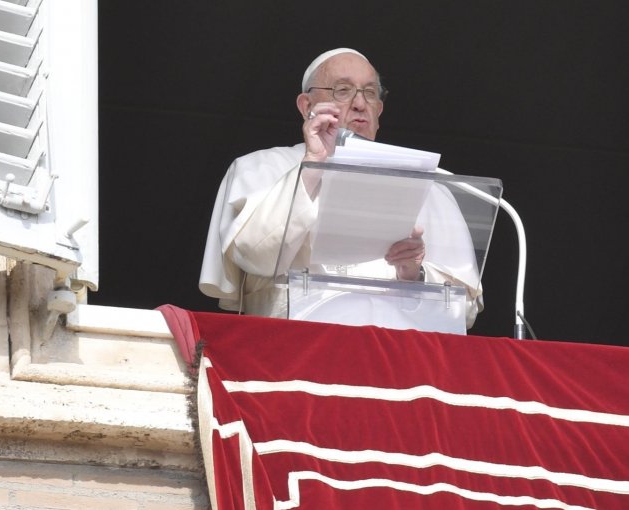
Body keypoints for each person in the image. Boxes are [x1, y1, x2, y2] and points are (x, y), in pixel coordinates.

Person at [199, 48, 483, 328]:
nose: (360, 104)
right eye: (343, 90)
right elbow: (255, 256)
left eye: (370, 93)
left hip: (399, 363)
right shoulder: (259, 167)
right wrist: (312, 166)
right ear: (306, 106)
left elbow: (465, 311)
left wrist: (414, 275)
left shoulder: (431, 185)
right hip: (294, 357)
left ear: (379, 110)